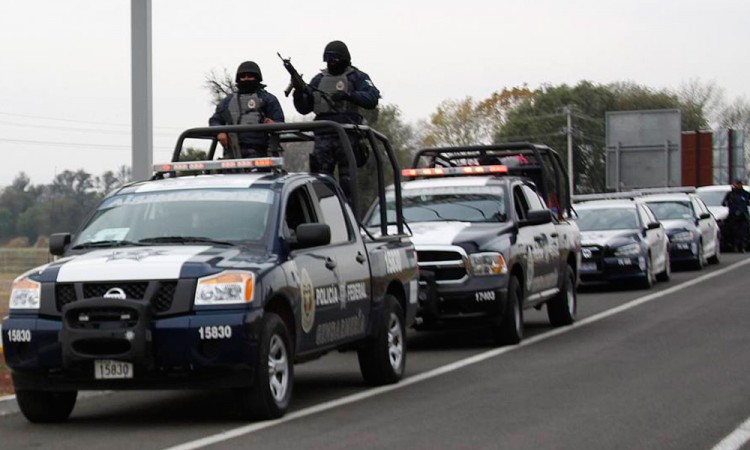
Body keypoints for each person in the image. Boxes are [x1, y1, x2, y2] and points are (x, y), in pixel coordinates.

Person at [292, 40, 380, 196]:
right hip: (323, 137)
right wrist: (298, 93)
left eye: (335, 59)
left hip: (347, 136)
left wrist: (349, 96)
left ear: (344, 59)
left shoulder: (357, 77)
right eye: (328, 60)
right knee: (322, 185)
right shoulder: (318, 80)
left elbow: (372, 98)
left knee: (348, 183)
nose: (331, 63)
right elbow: (304, 108)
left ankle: (350, 215)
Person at [209, 61, 284, 158]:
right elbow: (215, 120)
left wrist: (273, 124)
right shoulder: (228, 102)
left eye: (250, 76)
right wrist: (219, 132)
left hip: (261, 151)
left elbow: (280, 123)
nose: (246, 79)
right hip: (232, 151)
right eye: (243, 77)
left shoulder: (268, 99)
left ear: (257, 78)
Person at [722, 179, 750, 252]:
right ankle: (735, 246)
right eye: (736, 184)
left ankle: (742, 247)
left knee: (743, 232)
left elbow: (748, 202)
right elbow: (724, 203)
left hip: (743, 216)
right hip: (733, 216)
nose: (737, 185)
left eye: (739, 184)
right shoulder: (730, 194)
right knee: (734, 232)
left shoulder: (745, 193)